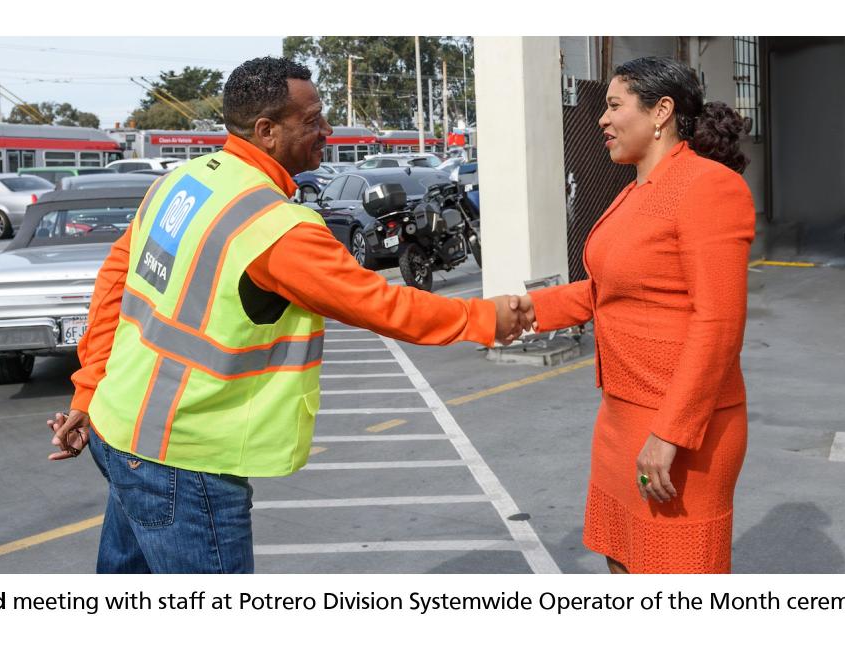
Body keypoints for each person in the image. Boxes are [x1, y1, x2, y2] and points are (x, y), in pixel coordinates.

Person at [46, 56, 529, 573]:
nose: (327, 130)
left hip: (120, 433)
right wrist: (486, 319)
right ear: (266, 130)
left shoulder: (183, 183)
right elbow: (381, 304)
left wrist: (89, 390)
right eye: (313, 119)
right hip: (184, 461)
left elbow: (115, 284)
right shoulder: (275, 226)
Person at [512, 56, 755, 573]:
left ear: (661, 111)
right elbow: (609, 291)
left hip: (684, 429)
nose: (602, 118)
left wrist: (669, 434)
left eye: (614, 105)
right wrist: (522, 312)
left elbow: (719, 325)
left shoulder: (709, 187)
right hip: (621, 419)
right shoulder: (631, 191)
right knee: (622, 562)